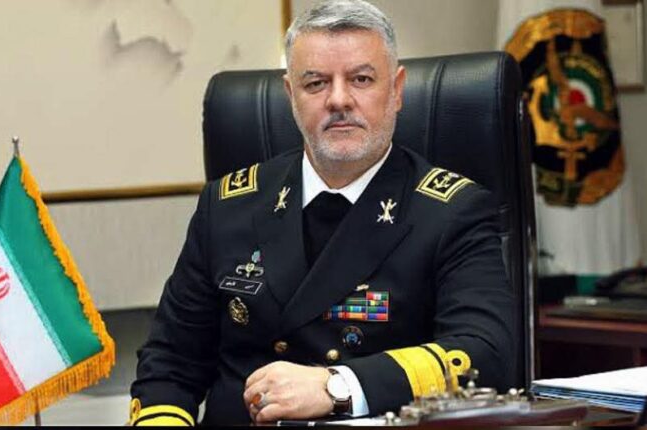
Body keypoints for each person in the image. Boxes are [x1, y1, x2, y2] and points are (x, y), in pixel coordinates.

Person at [129, 0, 514, 426]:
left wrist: (338, 386)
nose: (339, 100)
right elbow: (171, 363)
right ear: (291, 95)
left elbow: (485, 354)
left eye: (361, 79)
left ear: (396, 90)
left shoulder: (451, 212)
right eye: (315, 83)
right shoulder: (227, 205)